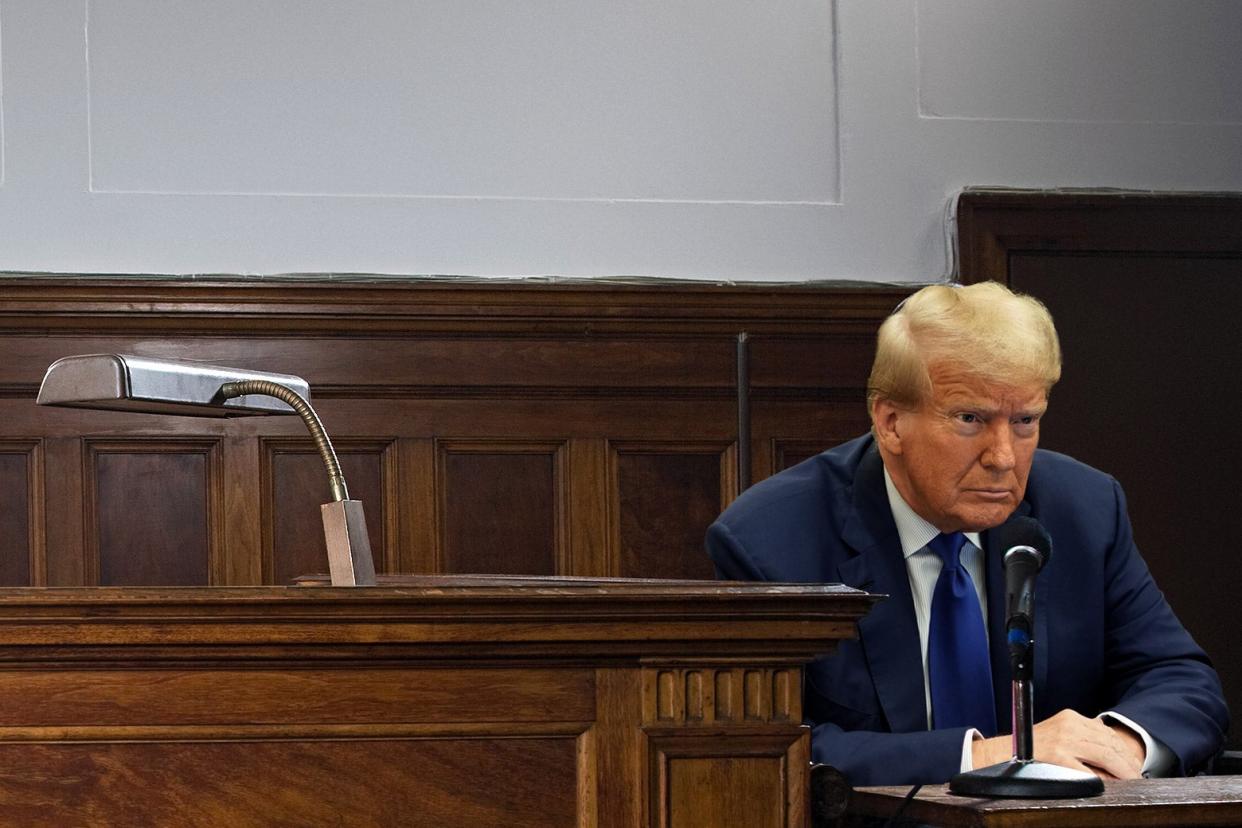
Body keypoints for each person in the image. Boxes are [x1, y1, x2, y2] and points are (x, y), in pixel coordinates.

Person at [706, 281, 1228, 786]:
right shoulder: (770, 541)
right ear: (890, 422)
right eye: (970, 418)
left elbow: (1182, 680)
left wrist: (1118, 746)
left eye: (1025, 420)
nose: (1003, 457)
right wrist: (988, 756)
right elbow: (766, 743)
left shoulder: (1084, 510)